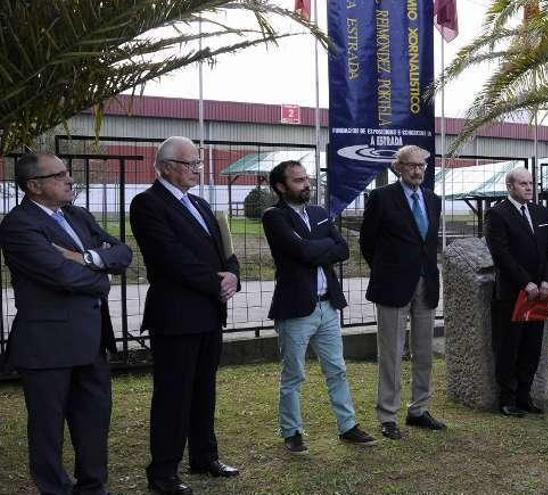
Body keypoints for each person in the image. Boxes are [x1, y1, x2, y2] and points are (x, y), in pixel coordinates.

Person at [0, 152, 132, 495]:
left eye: (67, 173)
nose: (70, 179)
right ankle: (55, 490)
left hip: (91, 340)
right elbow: (60, 275)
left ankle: (92, 487)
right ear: (34, 186)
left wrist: (88, 257)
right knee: (47, 428)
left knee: (93, 422)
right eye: (59, 175)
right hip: (47, 345)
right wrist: (102, 279)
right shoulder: (19, 225)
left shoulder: (77, 215)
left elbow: (122, 252)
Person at [130, 136, 241, 495]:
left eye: (197, 163)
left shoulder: (200, 203)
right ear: (164, 167)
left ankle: (204, 455)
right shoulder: (147, 204)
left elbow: (225, 246)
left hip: (209, 313)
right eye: (190, 164)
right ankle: (163, 471)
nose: (197, 169)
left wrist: (232, 274)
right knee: (173, 395)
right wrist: (214, 281)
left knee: (203, 389)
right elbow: (168, 257)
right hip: (176, 315)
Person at [262, 161, 376, 454]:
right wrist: (319, 247)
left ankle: (348, 426)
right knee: (293, 374)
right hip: (296, 308)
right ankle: (292, 431)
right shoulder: (274, 216)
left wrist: (313, 248)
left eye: (306, 179)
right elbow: (300, 251)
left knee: (337, 369)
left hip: (328, 307)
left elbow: (344, 250)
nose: (306, 184)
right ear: (280, 186)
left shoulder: (319, 213)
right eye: (298, 181)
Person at [359, 145, 446, 440]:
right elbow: (367, 242)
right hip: (393, 285)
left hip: (426, 283)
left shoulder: (434, 200)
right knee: (392, 353)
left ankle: (418, 409)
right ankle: (387, 415)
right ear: (398, 168)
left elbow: (428, 244)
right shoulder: (381, 198)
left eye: (422, 165)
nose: (418, 170)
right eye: (411, 165)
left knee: (424, 351)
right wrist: (388, 269)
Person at [484, 168, 548, 417]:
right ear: (510, 186)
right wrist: (526, 282)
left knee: (532, 345)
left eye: (531, 183)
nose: (529, 187)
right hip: (513, 292)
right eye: (523, 184)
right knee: (509, 345)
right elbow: (501, 254)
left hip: (540, 293)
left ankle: (525, 395)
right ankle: (507, 398)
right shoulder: (497, 214)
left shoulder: (539, 211)